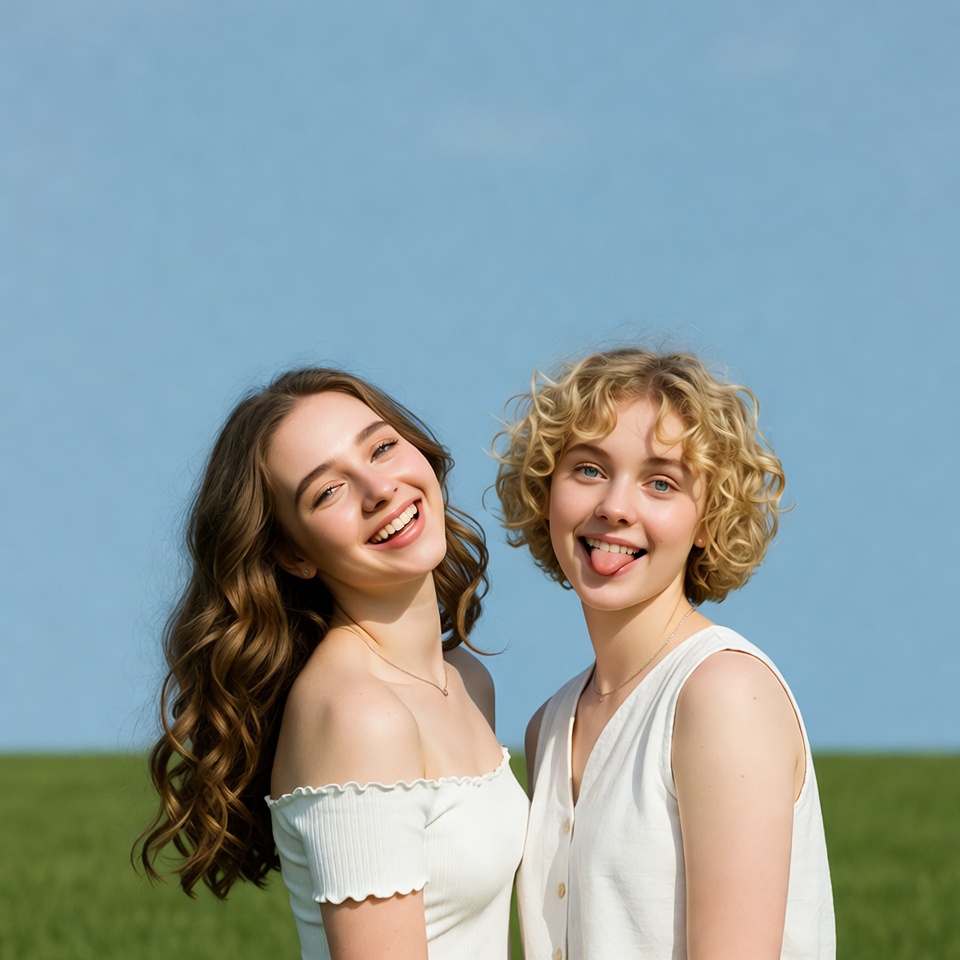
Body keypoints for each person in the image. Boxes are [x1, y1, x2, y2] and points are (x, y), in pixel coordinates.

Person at [136, 367, 528, 960]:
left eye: (382, 447)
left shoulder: (467, 681)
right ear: (293, 554)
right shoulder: (357, 713)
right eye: (327, 491)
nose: (380, 489)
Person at [494, 347, 835, 960]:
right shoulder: (547, 727)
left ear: (708, 519)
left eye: (661, 482)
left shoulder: (722, 694)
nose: (616, 506)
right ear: (547, 492)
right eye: (589, 469)